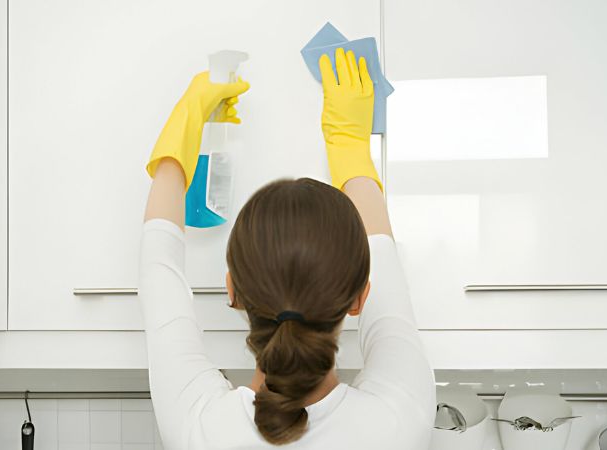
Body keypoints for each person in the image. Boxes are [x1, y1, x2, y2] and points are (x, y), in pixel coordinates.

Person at [139, 48, 436, 449]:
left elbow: (159, 269)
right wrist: (349, 146)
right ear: (361, 296)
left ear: (232, 290)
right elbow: (390, 301)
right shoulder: (399, 422)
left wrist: (187, 121)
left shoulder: (199, 427)